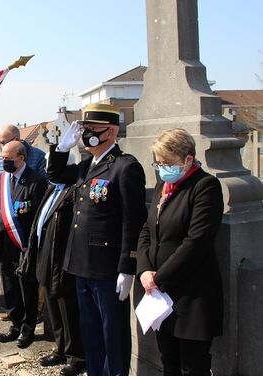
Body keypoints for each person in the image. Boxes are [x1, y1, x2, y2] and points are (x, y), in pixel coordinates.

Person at [47, 103, 147, 376]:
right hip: (81, 264)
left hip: (107, 267)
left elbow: (133, 220)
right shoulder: (85, 167)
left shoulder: (125, 167)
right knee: (90, 332)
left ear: (111, 132)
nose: (86, 134)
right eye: (84, 129)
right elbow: (55, 175)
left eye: (92, 129)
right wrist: (61, 148)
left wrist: (128, 266)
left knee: (112, 334)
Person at [137, 128, 224, 376]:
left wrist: (159, 277)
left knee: (192, 367)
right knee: (169, 362)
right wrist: (143, 270)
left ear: (188, 159)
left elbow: (196, 242)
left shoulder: (205, 186)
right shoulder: (163, 186)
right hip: (161, 297)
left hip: (191, 295)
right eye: (158, 162)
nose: (162, 168)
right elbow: (147, 229)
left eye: (167, 163)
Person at [21, 182, 86, 376]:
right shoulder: (51, 188)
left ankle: (76, 356)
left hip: (60, 257)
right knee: (53, 308)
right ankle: (60, 349)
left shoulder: (72, 190)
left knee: (67, 309)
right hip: (44, 253)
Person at [0, 141, 48, 348]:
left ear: (21, 158)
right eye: (2, 157)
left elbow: (37, 220)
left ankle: (28, 329)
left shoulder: (36, 182)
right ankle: (15, 325)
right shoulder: (3, 179)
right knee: (10, 288)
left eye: (7, 158)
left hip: (24, 245)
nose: (4, 162)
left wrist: (31, 246)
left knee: (27, 289)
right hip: (3, 244)